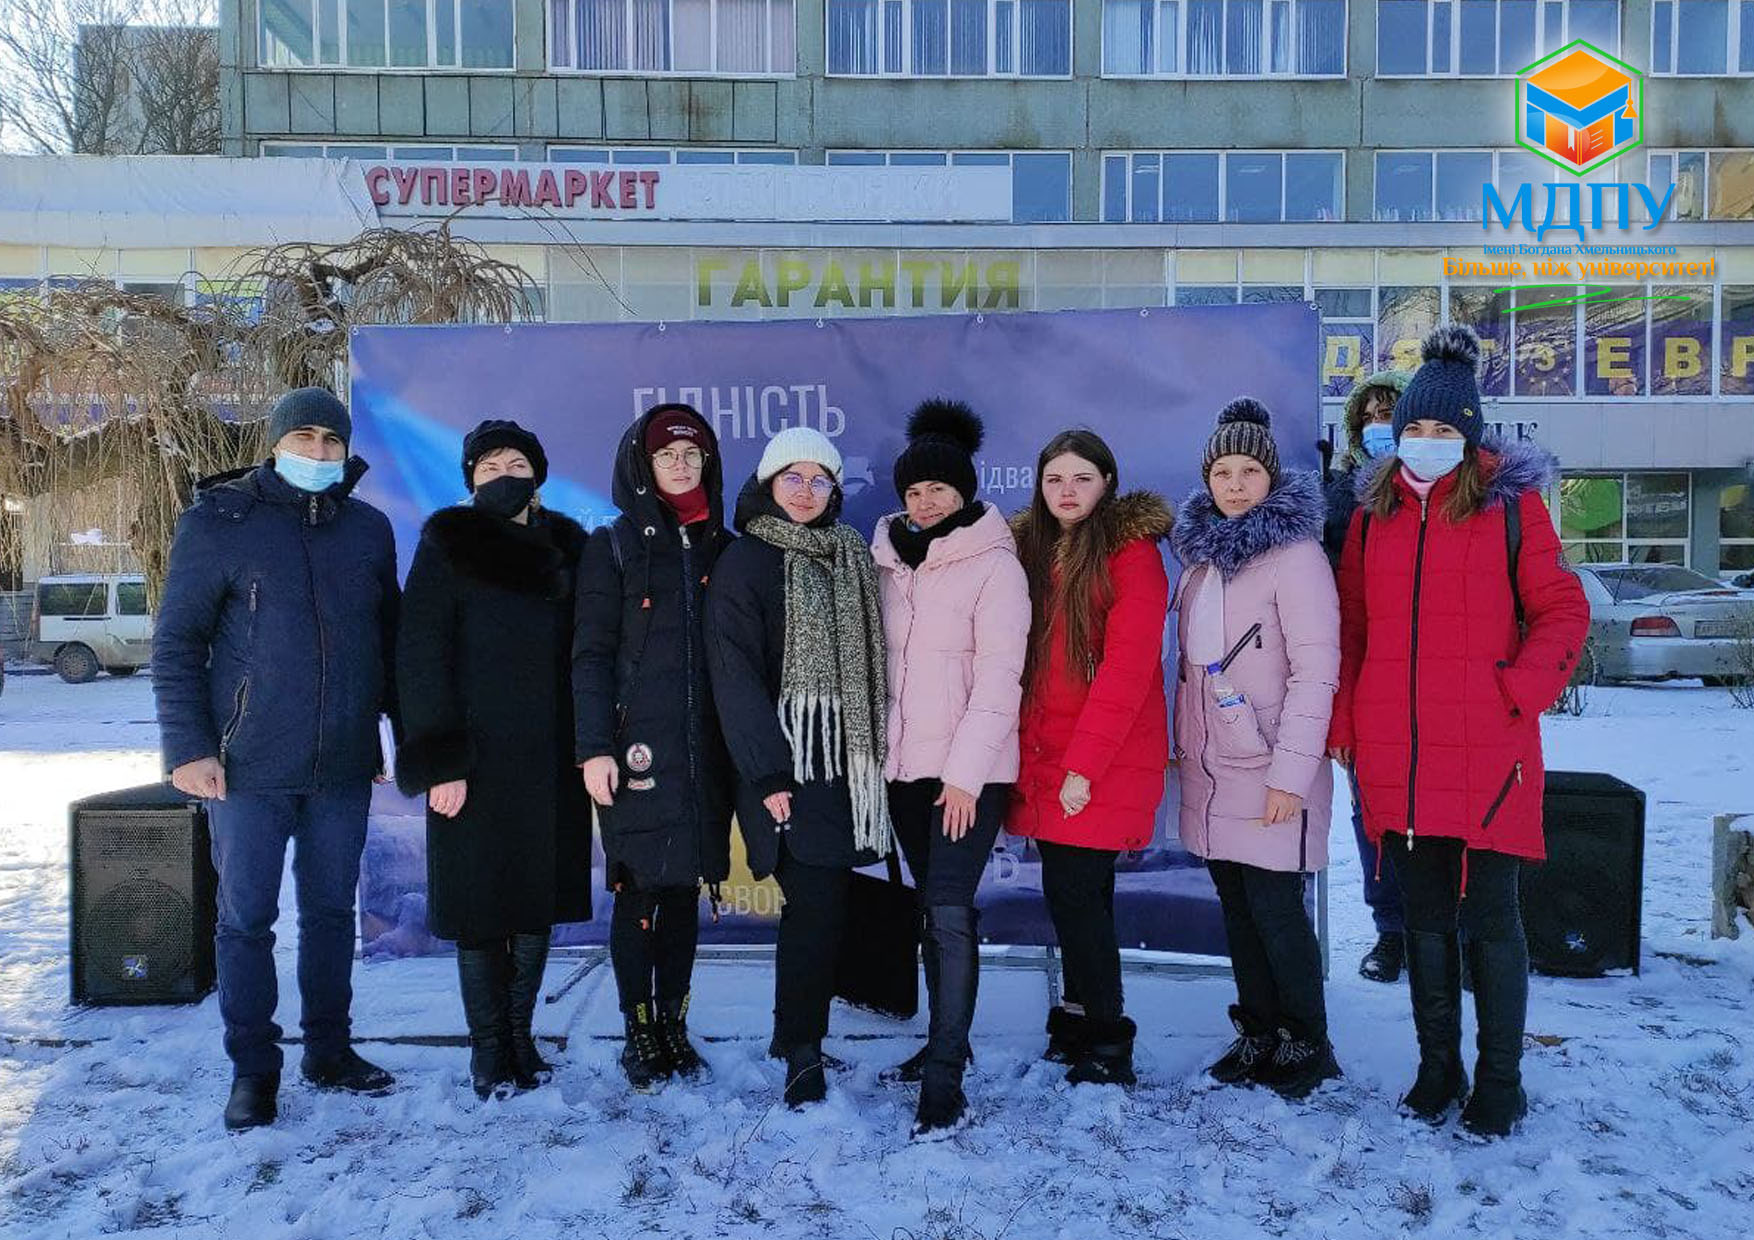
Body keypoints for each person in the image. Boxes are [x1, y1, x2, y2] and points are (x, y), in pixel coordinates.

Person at [1327, 325, 1590, 1138]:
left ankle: (1499, 1082)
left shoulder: (1511, 508)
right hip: (1397, 754)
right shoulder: (1372, 515)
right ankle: (1436, 1068)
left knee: (1493, 920)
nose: (1426, 439)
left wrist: (1517, 694)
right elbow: (1353, 629)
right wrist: (1347, 721)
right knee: (1425, 919)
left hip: (1488, 751)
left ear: (1470, 435)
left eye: (1444, 428)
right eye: (1414, 426)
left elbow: (1562, 610)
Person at [153, 387, 400, 1131]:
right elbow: (177, 645)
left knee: (329, 914)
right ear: (275, 443)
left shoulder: (368, 530)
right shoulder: (218, 522)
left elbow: (389, 645)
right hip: (245, 766)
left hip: (341, 766)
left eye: (331, 440)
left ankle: (329, 1051)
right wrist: (190, 749)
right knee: (246, 920)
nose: (318, 452)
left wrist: (387, 734)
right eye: (304, 437)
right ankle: (253, 1070)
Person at [395, 420, 593, 1100]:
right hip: (472, 763)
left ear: (538, 475)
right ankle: (487, 1049)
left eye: (516, 463)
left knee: (536, 904)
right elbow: (420, 655)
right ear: (470, 482)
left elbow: (590, 650)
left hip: (551, 761)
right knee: (481, 907)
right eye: (488, 467)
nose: (503, 475)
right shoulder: (448, 543)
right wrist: (439, 759)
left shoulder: (570, 547)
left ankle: (519, 1037)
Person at [705, 426, 894, 1109]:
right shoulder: (746, 561)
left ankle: (794, 1035)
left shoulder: (848, 553)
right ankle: (803, 1055)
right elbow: (734, 677)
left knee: (824, 907)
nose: (806, 491)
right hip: (784, 769)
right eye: (793, 477)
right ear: (768, 483)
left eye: (820, 480)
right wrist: (768, 776)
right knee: (814, 908)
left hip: (843, 766)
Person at [1171, 398, 1341, 1099]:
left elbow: (1316, 672)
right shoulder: (1200, 561)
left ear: (1271, 476)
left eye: (1248, 470)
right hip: (1212, 768)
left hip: (1271, 766)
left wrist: (1290, 777)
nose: (1235, 485)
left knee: (1276, 909)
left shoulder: (1296, 557)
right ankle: (1260, 1032)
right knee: (1238, 908)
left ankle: (1307, 1042)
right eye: (1222, 472)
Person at [871, 399, 1029, 1137]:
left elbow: (1000, 680)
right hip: (905, 771)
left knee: (948, 910)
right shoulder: (886, 564)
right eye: (914, 490)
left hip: (969, 775)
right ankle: (946, 1040)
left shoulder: (996, 567)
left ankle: (944, 1081)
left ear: (964, 490)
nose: (926, 501)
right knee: (930, 915)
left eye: (938, 488)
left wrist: (965, 775)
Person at [573, 404, 735, 1091]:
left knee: (684, 889)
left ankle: (673, 1025)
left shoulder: (723, 547)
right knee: (639, 890)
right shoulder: (612, 546)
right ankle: (638, 1031)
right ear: (643, 465)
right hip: (635, 752)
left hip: (707, 755)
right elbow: (589, 655)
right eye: (666, 454)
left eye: (692, 454)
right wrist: (593, 747)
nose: (680, 464)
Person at [1008, 429, 1171, 1088]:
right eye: (1054, 479)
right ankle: (1078, 1019)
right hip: (1047, 750)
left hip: (1099, 758)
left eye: (1082, 478)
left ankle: (1107, 1040)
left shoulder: (1131, 555)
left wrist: (1084, 767)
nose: (1067, 491)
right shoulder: (1032, 551)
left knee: (1077, 897)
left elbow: (1128, 671)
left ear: (1108, 482)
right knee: (1077, 895)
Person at [1323, 370, 1412, 984]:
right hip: (1364, 674)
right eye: (1370, 417)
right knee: (1371, 812)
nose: (1380, 425)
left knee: (1436, 814)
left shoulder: (1446, 489)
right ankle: (1392, 930)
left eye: (1391, 414)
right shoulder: (1339, 494)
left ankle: (1444, 930)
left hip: (1432, 680)